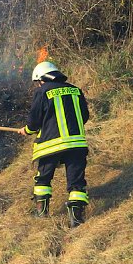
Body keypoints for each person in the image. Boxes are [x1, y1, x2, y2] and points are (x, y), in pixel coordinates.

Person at [18, 61, 90, 227]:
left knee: (43, 179)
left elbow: (35, 119)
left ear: (41, 79)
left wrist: (27, 130)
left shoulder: (42, 92)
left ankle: (42, 214)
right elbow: (84, 116)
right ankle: (76, 221)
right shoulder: (75, 90)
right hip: (77, 145)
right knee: (76, 182)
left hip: (50, 146)